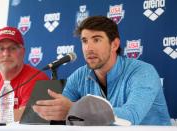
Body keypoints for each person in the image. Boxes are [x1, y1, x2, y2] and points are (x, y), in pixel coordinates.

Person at [33, 16, 171, 125]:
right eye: (85, 41)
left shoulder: (143, 72)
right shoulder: (80, 75)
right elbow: (62, 108)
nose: (89, 48)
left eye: (96, 40)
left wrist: (73, 110)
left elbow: (130, 117)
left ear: (114, 44)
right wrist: (50, 110)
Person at [0, 26, 49, 122]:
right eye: (0, 48)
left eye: (12, 48)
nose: (6, 53)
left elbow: (25, 117)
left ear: (23, 52)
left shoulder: (38, 79)